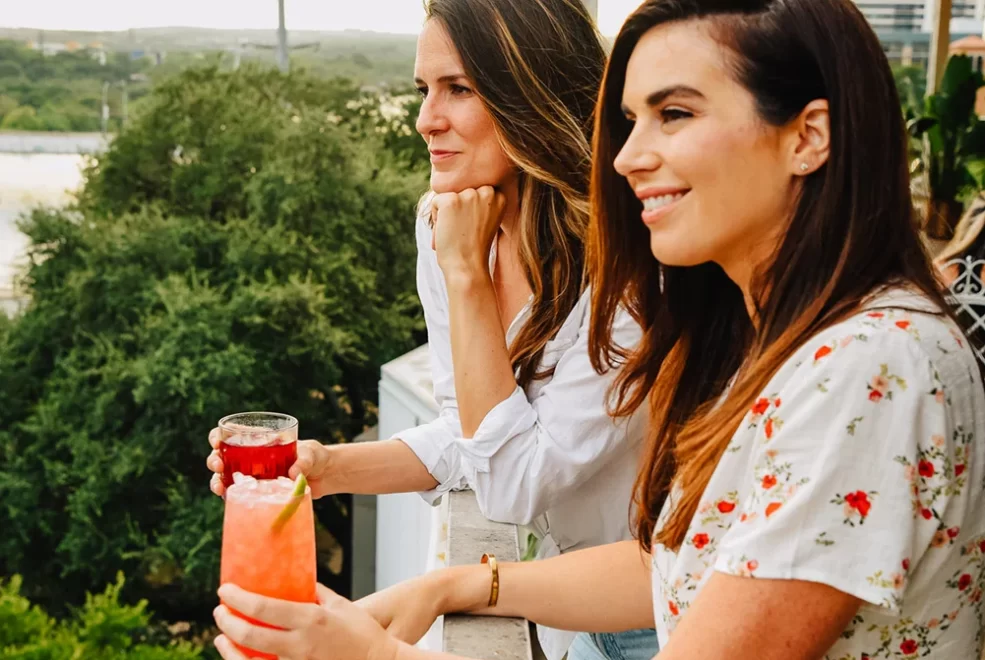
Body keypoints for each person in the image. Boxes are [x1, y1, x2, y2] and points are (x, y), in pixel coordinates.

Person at [210, 1, 985, 659]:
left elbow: (515, 477)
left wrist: (371, 654)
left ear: (807, 137)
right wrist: (448, 580)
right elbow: (674, 563)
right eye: (628, 120)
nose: (624, 158)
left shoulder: (865, 366)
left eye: (673, 114)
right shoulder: (779, 339)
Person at [206, 1, 657, 659]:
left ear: (532, 96)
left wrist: (466, 276)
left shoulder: (630, 267)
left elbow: (511, 482)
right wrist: (326, 467)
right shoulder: (443, 225)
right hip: (571, 607)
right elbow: (467, 433)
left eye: (459, 89)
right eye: (423, 90)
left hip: (660, 617)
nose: (425, 120)